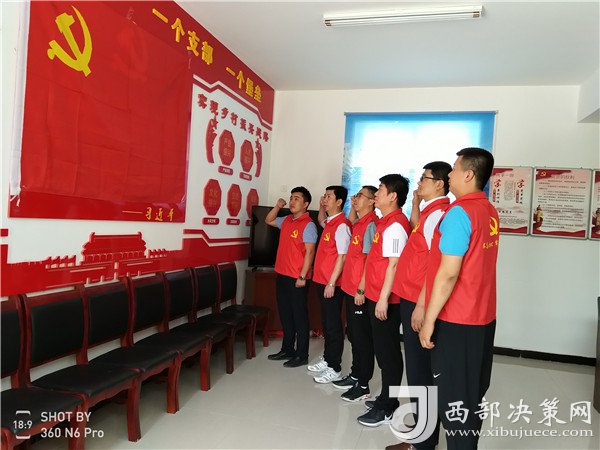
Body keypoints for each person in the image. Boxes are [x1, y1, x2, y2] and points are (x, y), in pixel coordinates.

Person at [419, 148, 499, 450]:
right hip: (483, 318)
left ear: (468, 174)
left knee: (455, 400)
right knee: (471, 396)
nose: (449, 174)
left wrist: (429, 320)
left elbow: (448, 273)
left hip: (457, 320)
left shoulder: (459, 213)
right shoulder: (488, 210)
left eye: (454, 168)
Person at [388, 161, 452, 450]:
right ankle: (423, 436)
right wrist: (415, 202)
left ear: (439, 183)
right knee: (419, 371)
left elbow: (434, 265)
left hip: (417, 301)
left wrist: (421, 306)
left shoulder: (437, 214)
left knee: (419, 373)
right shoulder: (430, 212)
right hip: (413, 298)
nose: (419, 183)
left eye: (424, 178)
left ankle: (422, 443)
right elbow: (419, 231)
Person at [357, 174, 411, 427]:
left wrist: (383, 299)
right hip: (376, 295)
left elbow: (395, 265)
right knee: (382, 350)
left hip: (386, 300)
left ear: (393, 196)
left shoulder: (396, 225)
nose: (376, 194)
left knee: (388, 354)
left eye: (380, 189)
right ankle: (385, 399)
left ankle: (388, 407)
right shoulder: (384, 223)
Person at [333, 185, 379, 402]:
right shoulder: (360, 223)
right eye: (356, 194)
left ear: (372, 201)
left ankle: (363, 384)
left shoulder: (371, 224)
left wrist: (362, 288)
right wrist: (353, 206)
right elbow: (349, 222)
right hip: (350, 288)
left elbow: (370, 259)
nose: (356, 198)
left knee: (362, 339)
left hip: (359, 291)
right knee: (353, 335)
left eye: (360, 195)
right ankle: (355, 374)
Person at [265, 187, 317, 368]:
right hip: (282, 274)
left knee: (299, 316)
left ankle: (302, 355)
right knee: (286, 314)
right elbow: (268, 220)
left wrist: (302, 276)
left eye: (297, 198)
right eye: (291, 198)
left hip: (297, 278)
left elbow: (310, 252)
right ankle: (287, 349)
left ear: (306, 204)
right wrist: (278, 206)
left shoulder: (308, 225)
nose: (292, 201)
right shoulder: (287, 220)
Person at [308, 186, 352, 383]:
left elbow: (342, 257)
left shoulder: (342, 225)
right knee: (326, 323)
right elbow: (320, 219)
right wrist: (321, 206)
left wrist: (332, 282)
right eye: (324, 196)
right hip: (322, 280)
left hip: (331, 284)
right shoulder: (330, 222)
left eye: (328, 197)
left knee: (333, 326)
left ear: (339, 201)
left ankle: (334, 367)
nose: (324, 199)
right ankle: (327, 359)